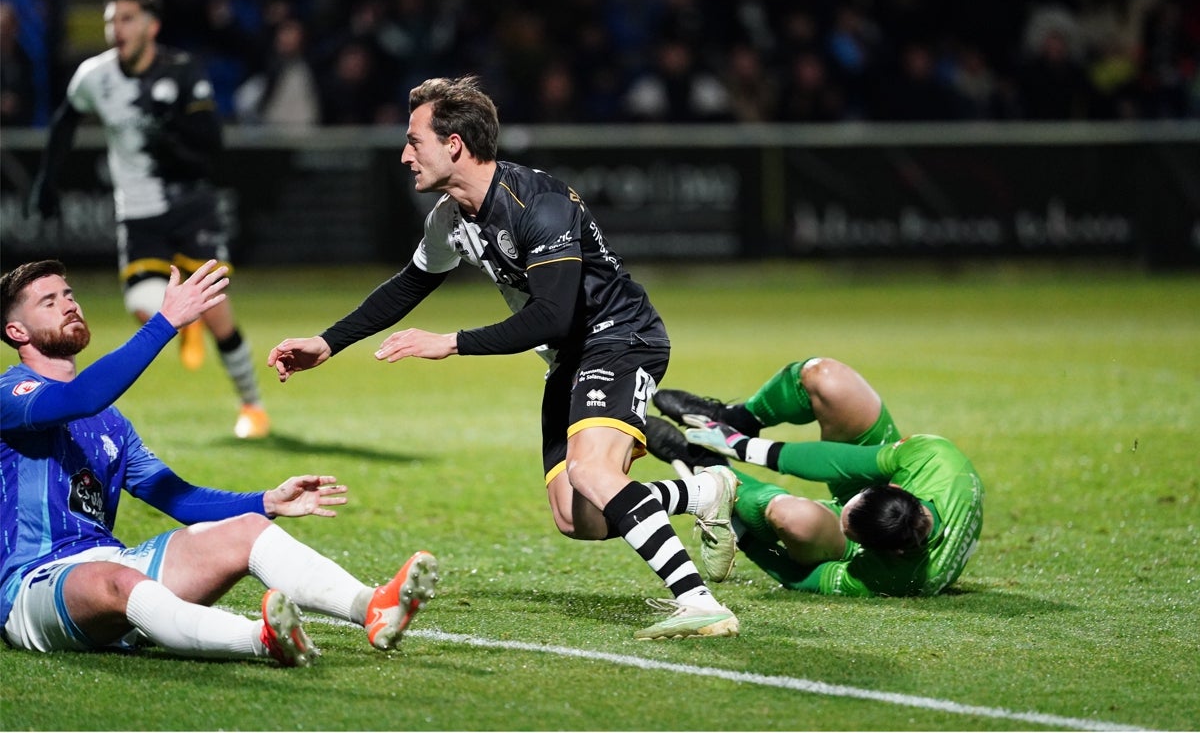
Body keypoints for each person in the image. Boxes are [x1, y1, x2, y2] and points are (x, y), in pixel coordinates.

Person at [267, 75, 739, 640]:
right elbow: (408, 285)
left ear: (455, 145)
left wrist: (451, 342)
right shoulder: (450, 218)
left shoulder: (541, 205)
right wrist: (327, 342)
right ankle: (703, 490)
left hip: (620, 337)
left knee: (591, 470)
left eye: (414, 141)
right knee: (576, 517)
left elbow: (552, 316)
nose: (403, 155)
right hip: (570, 356)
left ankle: (699, 602)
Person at [1, 259, 439, 665]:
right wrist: (166, 321)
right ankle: (261, 640)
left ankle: (371, 606)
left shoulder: (111, 424)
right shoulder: (10, 396)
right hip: (34, 584)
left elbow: (179, 498)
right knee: (117, 581)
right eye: (49, 301)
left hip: (112, 565)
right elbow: (80, 397)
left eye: (69, 294)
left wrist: (267, 501)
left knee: (246, 531)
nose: (69, 304)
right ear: (17, 332)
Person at [24, 0, 269, 439]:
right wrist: (46, 180)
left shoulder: (181, 72)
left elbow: (211, 150)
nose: (117, 28)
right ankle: (185, 323)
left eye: (127, 19)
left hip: (191, 205)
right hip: (137, 213)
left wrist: (172, 136)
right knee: (141, 303)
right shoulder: (94, 76)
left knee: (218, 315)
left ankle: (253, 406)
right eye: (111, 20)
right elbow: (64, 121)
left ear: (151, 26)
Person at [645, 356, 984, 597]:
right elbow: (845, 462)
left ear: (874, 552)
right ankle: (734, 418)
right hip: (887, 516)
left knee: (794, 518)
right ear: (895, 487)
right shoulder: (937, 459)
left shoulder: (900, 577)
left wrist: (742, 534)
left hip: (878, 539)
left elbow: (798, 577)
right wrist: (741, 443)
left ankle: (707, 470)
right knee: (827, 379)